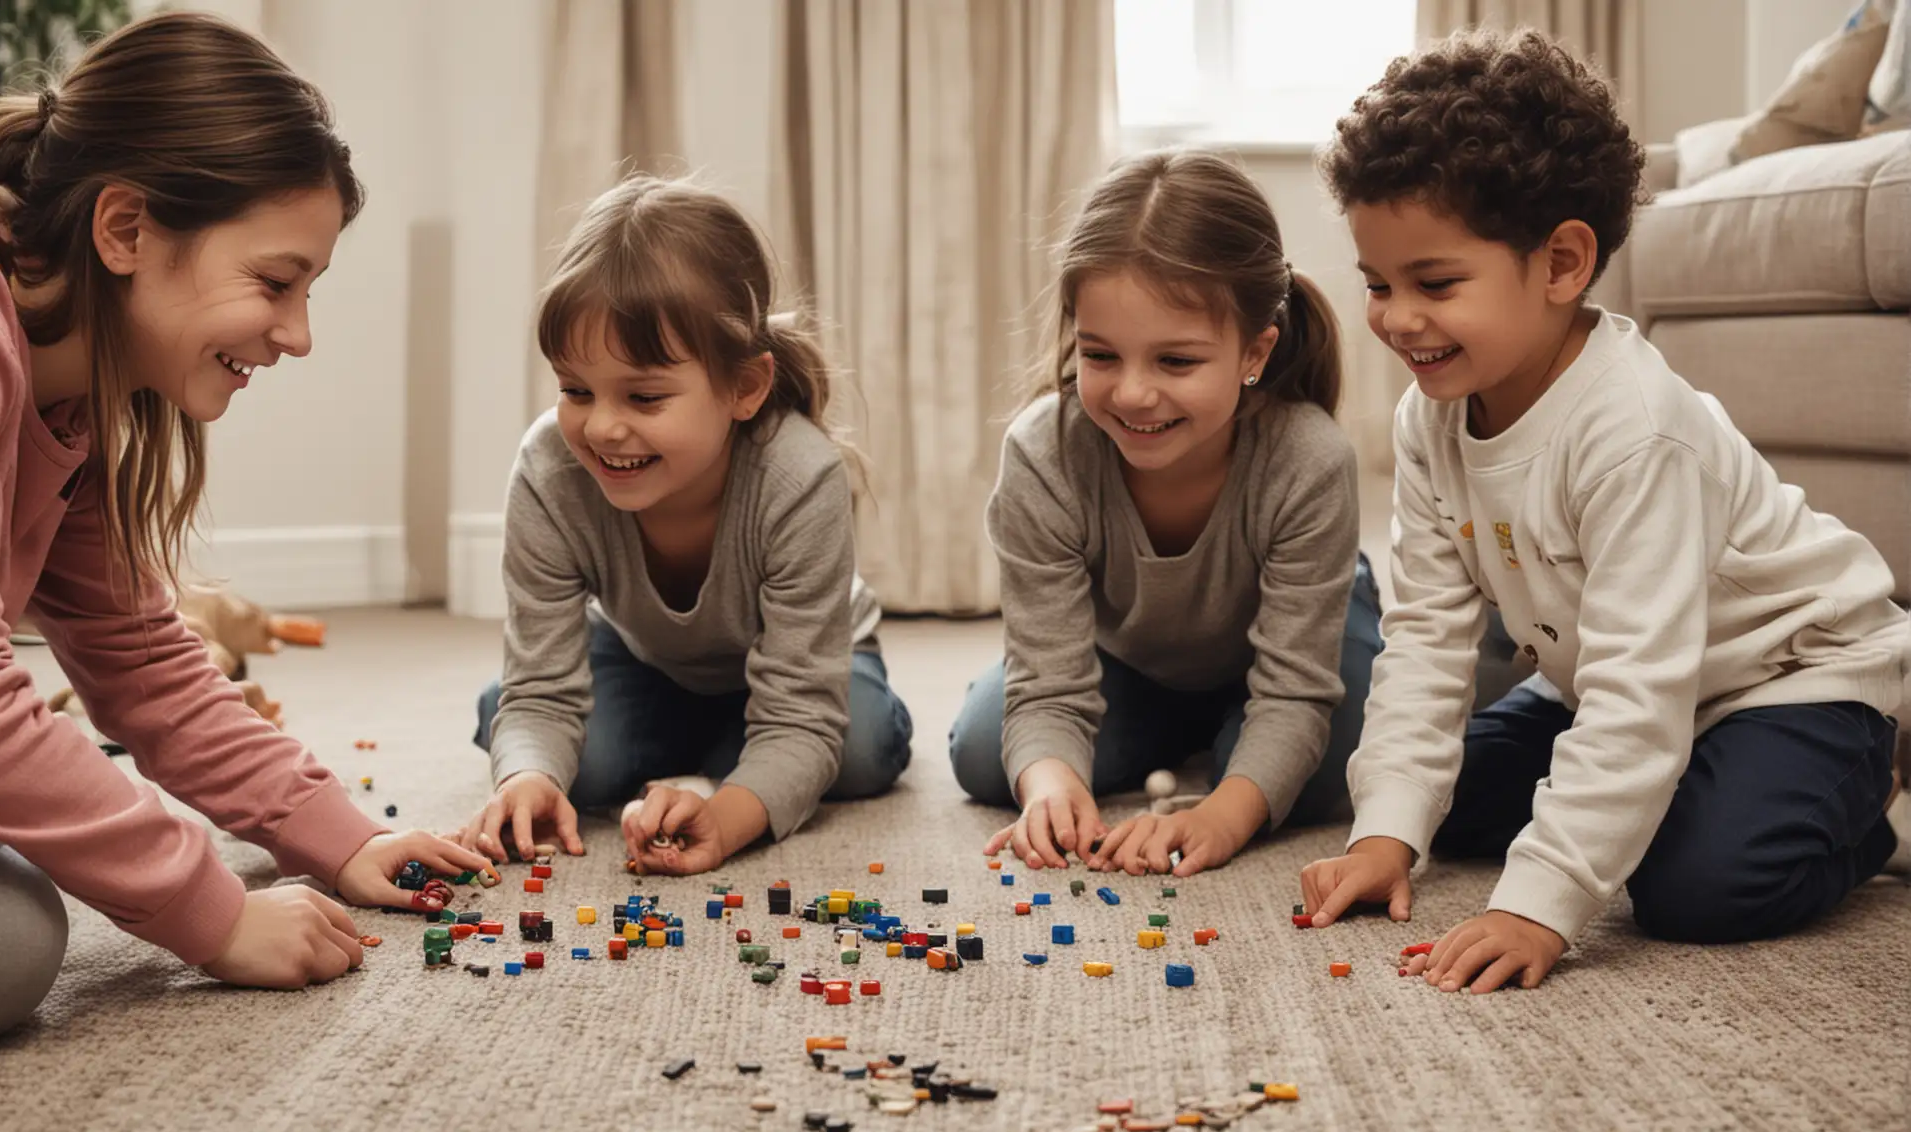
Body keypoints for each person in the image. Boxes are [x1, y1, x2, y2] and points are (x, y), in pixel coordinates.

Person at [0, 11, 488, 1065]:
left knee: (29, 802)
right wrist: (212, 913)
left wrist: (341, 836)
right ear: (125, 230)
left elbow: (139, 662)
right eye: (274, 282)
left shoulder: (62, 376)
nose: (298, 334)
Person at [1302, 28, 1909, 992]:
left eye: (1435, 283)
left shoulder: (1635, 430)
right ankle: (1663, 790)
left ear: (1562, 263)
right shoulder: (1431, 418)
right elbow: (1423, 638)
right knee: (1437, 810)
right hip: (1616, 674)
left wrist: (1538, 902)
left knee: (1695, 890)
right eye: (1378, 284)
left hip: (1790, 676)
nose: (1396, 318)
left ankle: (1859, 802)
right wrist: (1384, 835)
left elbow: (1642, 692)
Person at [462, 175, 913, 876]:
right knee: (536, 743)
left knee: (856, 752)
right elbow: (542, 688)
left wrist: (726, 818)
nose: (604, 426)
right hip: (647, 660)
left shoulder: (800, 475)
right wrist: (528, 777)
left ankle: (729, 758)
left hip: (806, 668)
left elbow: (801, 714)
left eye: (644, 396)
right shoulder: (549, 470)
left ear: (745, 388)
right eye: (576, 390)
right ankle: (724, 750)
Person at [951, 149, 1382, 876]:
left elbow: (1294, 690)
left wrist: (1226, 811)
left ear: (1255, 351)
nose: (1133, 395)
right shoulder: (1043, 453)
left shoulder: (1310, 458)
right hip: (1132, 659)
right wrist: (1051, 784)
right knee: (987, 757)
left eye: (1176, 362)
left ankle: (1224, 743)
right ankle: (1196, 731)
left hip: (1297, 649)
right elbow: (1048, 681)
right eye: (1101, 356)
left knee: (1336, 763)